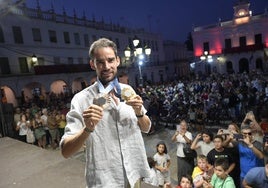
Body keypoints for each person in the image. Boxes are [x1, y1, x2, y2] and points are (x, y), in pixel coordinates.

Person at [60, 38, 151, 188]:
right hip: (104, 180)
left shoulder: (128, 91)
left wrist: (139, 113)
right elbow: (65, 151)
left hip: (133, 175)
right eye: (100, 62)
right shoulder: (81, 99)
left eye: (110, 60)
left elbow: (146, 128)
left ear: (117, 61)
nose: (106, 66)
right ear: (92, 64)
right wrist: (87, 129)